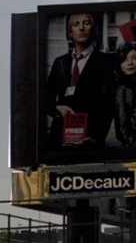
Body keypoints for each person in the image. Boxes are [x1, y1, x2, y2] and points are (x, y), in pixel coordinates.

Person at [46, 13, 116, 150]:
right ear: (70, 31)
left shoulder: (105, 61)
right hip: (59, 137)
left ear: (93, 28)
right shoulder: (60, 62)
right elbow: (46, 98)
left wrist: (95, 137)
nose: (81, 28)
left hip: (89, 139)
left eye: (86, 23)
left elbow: (108, 105)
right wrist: (56, 108)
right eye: (76, 24)